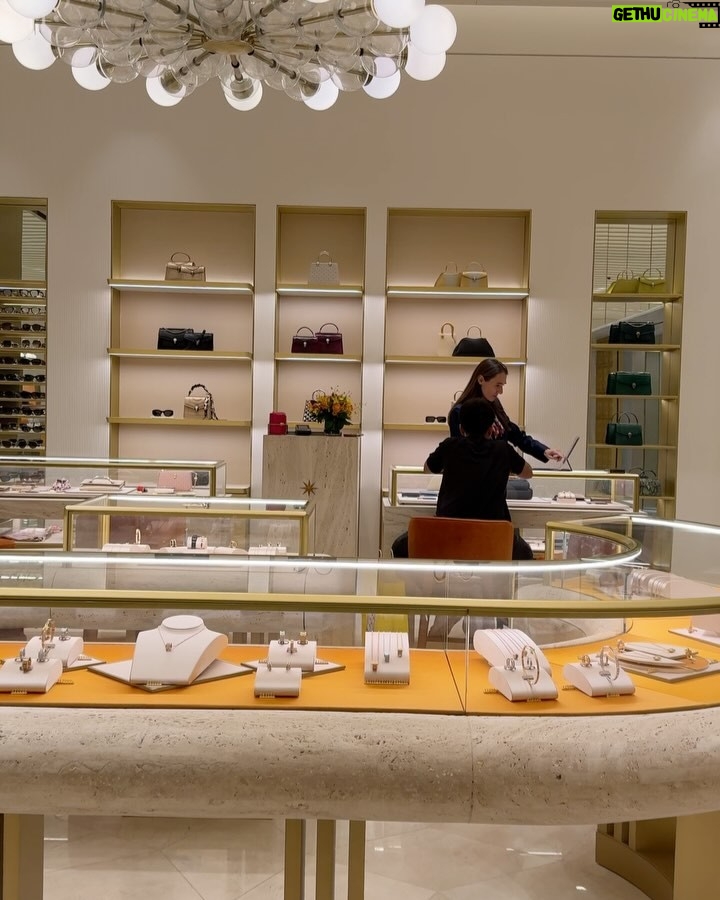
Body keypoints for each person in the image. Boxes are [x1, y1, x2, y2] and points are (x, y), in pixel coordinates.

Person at [425, 397, 533, 523]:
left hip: (451, 529)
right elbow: (528, 473)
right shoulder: (503, 449)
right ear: (490, 429)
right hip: (494, 531)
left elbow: (427, 469)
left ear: (461, 429)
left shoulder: (449, 445)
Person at [449, 358, 564, 464]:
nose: (501, 391)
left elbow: (515, 435)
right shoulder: (459, 412)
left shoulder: (495, 404)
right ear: (481, 380)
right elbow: (461, 454)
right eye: (497, 385)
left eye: (502, 386)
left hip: (497, 474)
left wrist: (544, 451)